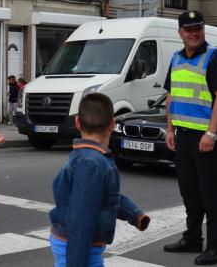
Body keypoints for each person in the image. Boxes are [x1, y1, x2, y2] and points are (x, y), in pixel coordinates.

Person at [49, 93, 150, 267]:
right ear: (112, 124)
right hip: (80, 248)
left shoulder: (91, 159)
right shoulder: (92, 164)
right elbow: (81, 221)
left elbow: (105, 196)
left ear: (77, 122)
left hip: (79, 244)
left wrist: (133, 214)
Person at [163, 11, 217, 265]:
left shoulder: (214, 58)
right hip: (183, 137)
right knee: (190, 193)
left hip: (206, 138)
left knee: (210, 194)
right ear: (180, 32)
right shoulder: (176, 58)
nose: (193, 33)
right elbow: (171, 96)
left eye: (197, 28)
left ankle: (216, 247)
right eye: (188, 29)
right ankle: (192, 239)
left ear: (203, 30)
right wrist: (170, 129)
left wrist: (211, 134)